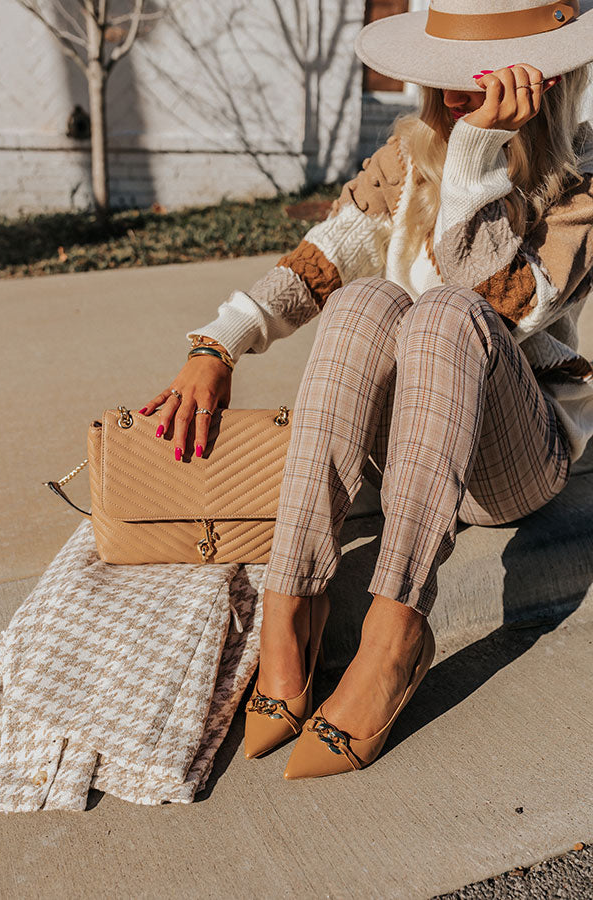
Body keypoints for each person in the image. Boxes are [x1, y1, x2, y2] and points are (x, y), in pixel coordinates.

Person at [138, 0, 593, 779]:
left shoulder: (579, 185)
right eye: (448, 68)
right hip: (410, 448)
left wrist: (480, 154)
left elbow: (482, 293)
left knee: (444, 313)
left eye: (484, 67)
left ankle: (395, 635)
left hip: (515, 459)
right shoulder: (408, 155)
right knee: (361, 299)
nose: (458, 90)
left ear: (545, 74)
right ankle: (293, 605)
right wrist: (219, 344)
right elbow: (319, 262)